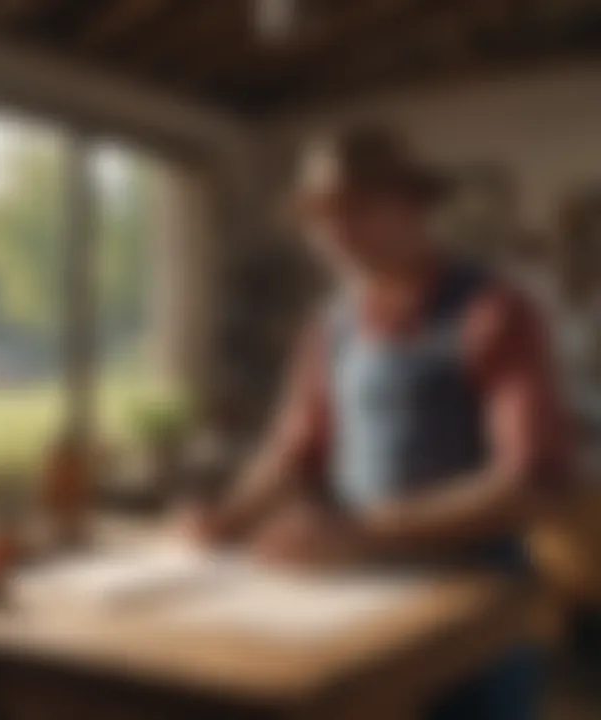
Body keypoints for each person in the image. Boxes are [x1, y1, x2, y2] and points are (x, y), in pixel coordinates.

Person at [176, 128, 571, 719]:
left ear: (412, 206)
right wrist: (231, 515)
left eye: (355, 208)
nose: (334, 233)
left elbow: (532, 482)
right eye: (319, 217)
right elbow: (295, 450)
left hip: (473, 608)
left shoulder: (495, 312)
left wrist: (358, 532)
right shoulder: (329, 327)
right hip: (364, 599)